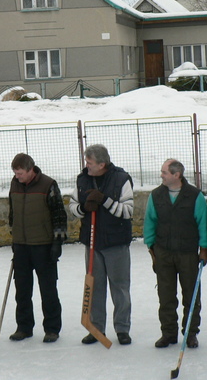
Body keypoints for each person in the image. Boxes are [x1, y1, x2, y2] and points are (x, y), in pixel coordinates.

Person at [69, 144, 134, 345]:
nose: (86, 165)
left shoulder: (121, 179)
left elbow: (128, 211)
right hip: (92, 243)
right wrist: (83, 207)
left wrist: (105, 200)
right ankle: (96, 329)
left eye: (90, 162)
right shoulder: (82, 179)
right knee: (95, 287)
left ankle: (122, 329)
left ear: (102, 164)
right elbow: (72, 208)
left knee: (120, 288)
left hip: (116, 243)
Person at [143, 159, 207, 349]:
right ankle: (168, 333)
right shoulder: (156, 195)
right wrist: (151, 248)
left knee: (191, 295)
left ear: (176, 175)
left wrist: (204, 248)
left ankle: (190, 333)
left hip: (188, 253)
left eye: (164, 172)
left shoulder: (194, 196)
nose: (161, 175)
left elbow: (203, 223)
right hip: (163, 253)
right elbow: (150, 222)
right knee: (166, 296)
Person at [7, 153, 67, 343]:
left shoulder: (48, 185)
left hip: (43, 246)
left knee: (48, 290)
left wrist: (57, 242)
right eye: (15, 173)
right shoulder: (14, 184)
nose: (17, 176)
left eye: (20, 173)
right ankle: (24, 327)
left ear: (31, 169)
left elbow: (59, 214)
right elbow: (12, 213)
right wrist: (14, 238)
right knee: (22, 291)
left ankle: (52, 328)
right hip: (21, 246)